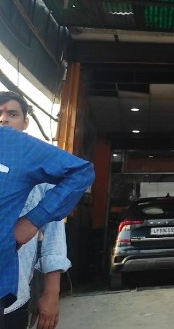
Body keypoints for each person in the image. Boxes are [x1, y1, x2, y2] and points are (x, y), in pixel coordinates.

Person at [0, 106, 95, 328]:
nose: (3, 119)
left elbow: (53, 237)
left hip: (15, 295)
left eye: (12, 114)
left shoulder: (44, 174)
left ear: (25, 123)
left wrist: (51, 293)